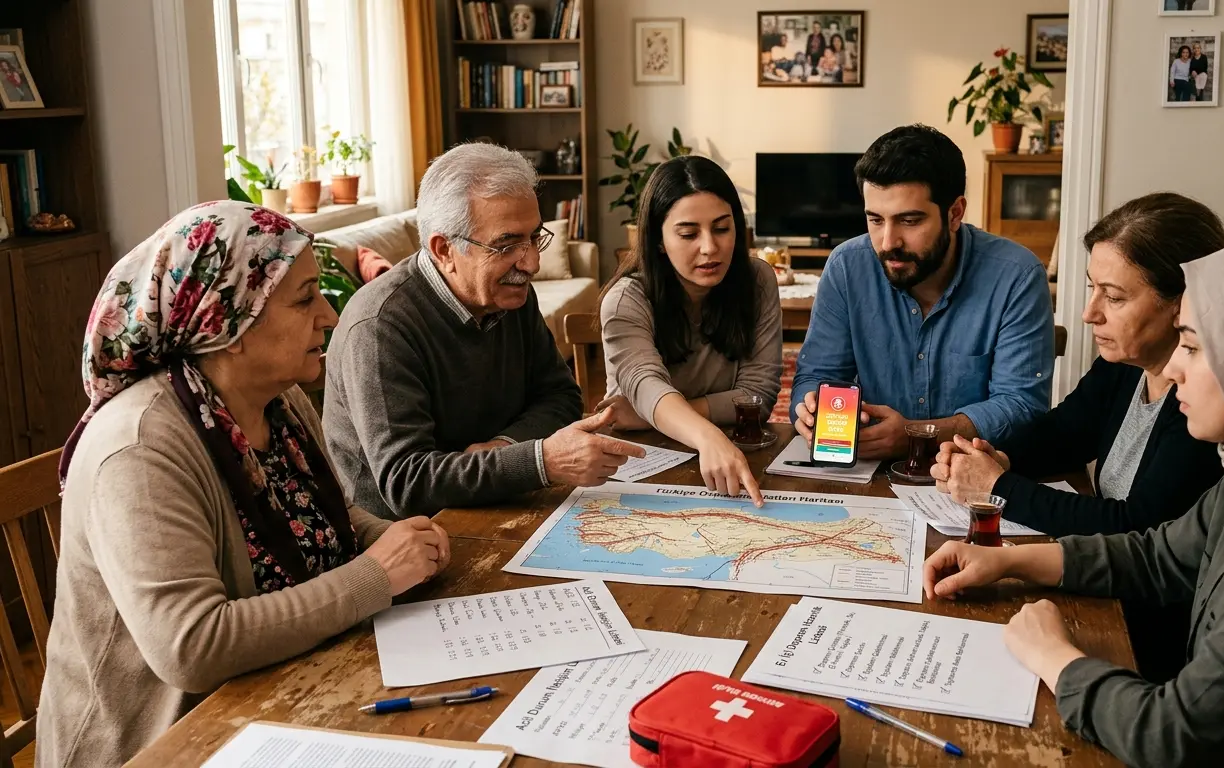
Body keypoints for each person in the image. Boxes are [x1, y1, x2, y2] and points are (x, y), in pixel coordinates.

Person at [922, 236, 1224, 766]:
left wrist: (1053, 655)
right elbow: (1159, 556)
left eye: (1194, 347)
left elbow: (1175, 734)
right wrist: (1009, 560)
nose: (1174, 367)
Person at [38, 202, 453, 767]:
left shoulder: (279, 400)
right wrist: (376, 575)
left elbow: (320, 517)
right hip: (169, 741)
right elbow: (193, 646)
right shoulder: (140, 450)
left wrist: (398, 537)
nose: (329, 315)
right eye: (305, 298)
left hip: (278, 698)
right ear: (228, 324)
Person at [931, 193, 1224, 682]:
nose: (1090, 313)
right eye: (1093, 289)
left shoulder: (1205, 405)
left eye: (1113, 297)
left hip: (1148, 629)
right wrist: (992, 455)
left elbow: (1137, 527)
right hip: (1106, 584)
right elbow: (1064, 432)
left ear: (1181, 303)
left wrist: (997, 488)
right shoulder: (1127, 363)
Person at [322, 143, 644, 521]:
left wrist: (500, 450)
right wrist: (538, 461)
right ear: (444, 250)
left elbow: (560, 396)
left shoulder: (510, 295)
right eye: (507, 245)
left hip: (495, 502)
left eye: (533, 238)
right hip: (402, 536)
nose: (532, 263)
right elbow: (406, 484)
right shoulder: (380, 326)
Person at [791, 124, 1053, 460]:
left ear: (955, 213)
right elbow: (818, 375)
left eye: (910, 221)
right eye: (875, 220)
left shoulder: (1017, 275)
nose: (888, 243)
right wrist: (811, 409)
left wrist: (918, 436)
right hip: (867, 469)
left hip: (973, 472)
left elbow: (1022, 405)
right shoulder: (846, 266)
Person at [597, 156, 782, 505]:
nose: (710, 247)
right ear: (658, 240)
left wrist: (644, 415)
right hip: (646, 465)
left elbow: (758, 397)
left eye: (722, 228)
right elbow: (646, 385)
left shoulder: (757, 280)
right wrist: (707, 435)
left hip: (735, 457)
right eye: (688, 234)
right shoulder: (625, 300)